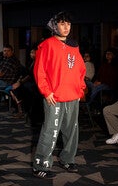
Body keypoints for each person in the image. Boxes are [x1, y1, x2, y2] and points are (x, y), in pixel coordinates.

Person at [32, 11, 86, 179]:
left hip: (73, 95)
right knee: (50, 131)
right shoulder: (46, 45)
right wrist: (46, 91)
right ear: (54, 26)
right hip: (54, 97)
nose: (66, 27)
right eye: (62, 24)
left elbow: (80, 70)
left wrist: (80, 89)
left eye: (68, 24)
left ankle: (67, 158)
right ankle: (41, 165)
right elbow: (39, 70)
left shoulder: (74, 45)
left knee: (72, 131)